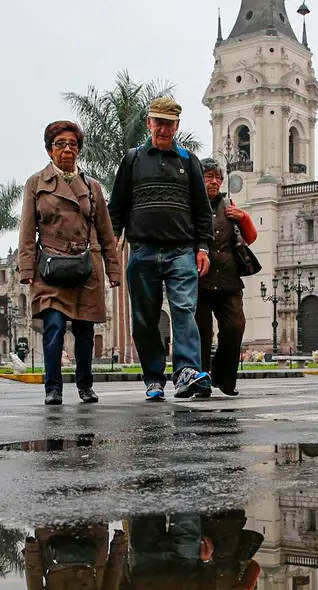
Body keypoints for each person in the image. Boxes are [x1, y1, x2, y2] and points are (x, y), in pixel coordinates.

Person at [108, 97, 214, 401]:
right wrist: (114, 242)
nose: (163, 128)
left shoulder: (188, 161)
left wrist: (203, 247)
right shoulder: (132, 160)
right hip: (142, 250)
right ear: (149, 123)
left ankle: (186, 373)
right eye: (158, 122)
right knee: (144, 317)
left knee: (184, 310)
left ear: (177, 126)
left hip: (181, 250)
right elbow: (117, 206)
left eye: (169, 123)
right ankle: (154, 378)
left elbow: (201, 210)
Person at [17, 121, 122, 406]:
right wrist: (26, 269)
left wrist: (113, 270)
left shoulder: (92, 187)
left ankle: (85, 385)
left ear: (79, 150)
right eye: (60, 144)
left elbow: (106, 231)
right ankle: (53, 388)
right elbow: (27, 231)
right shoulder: (35, 183)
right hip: (50, 266)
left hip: (85, 266)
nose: (67, 149)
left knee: (85, 330)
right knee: (53, 326)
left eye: (72, 144)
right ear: (49, 149)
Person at [192, 158, 257, 398]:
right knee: (202, 332)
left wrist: (244, 218)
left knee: (235, 326)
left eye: (218, 178)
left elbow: (249, 238)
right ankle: (201, 380)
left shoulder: (229, 205)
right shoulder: (192, 206)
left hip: (229, 278)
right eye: (209, 177)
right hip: (200, 279)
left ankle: (224, 377)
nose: (214, 182)